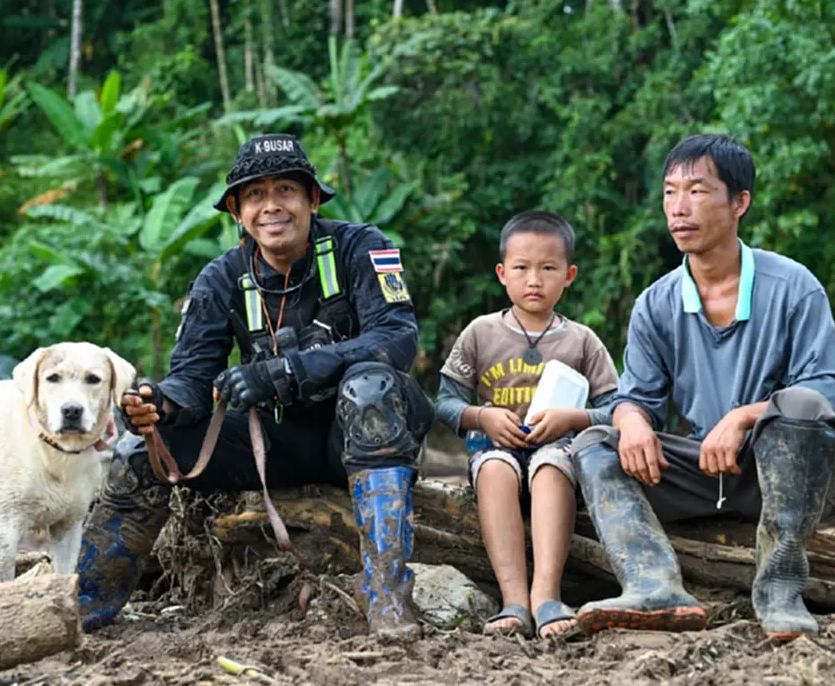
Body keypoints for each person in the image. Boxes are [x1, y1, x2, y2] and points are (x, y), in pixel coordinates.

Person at [74, 133, 435, 641]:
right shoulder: (220, 278)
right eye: (254, 195)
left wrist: (286, 371)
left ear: (312, 199)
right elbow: (194, 376)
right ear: (236, 211)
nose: (271, 207)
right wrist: (163, 403)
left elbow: (397, 338)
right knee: (140, 451)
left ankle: (387, 597)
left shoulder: (362, 247)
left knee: (370, 385)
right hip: (276, 441)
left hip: (366, 435)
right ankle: (83, 610)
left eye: (286, 189)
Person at [569, 133, 835, 641]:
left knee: (802, 404)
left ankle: (781, 591)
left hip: (803, 473)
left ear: (739, 202)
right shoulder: (655, 303)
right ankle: (654, 585)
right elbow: (637, 398)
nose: (678, 208)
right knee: (596, 443)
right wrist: (631, 419)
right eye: (669, 192)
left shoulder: (793, 286)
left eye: (697, 192)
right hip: (711, 472)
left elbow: (828, 393)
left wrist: (743, 416)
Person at [436, 211, 619, 639]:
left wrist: (573, 419)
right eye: (521, 268)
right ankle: (513, 600)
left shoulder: (581, 340)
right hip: (494, 452)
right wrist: (482, 416)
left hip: (558, 452)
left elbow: (618, 408)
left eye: (548, 268)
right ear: (502, 273)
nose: (534, 279)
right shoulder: (481, 332)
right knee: (496, 467)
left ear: (569, 275)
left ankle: (546, 595)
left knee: (553, 465)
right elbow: (443, 403)